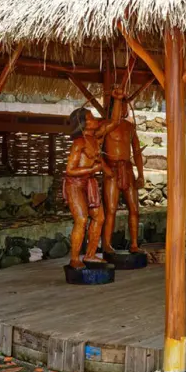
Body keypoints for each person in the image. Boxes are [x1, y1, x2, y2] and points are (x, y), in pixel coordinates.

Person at [63, 88, 124, 269]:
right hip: (75, 185)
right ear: (83, 123)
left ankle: (90, 255)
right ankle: (75, 258)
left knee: (99, 218)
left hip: (88, 183)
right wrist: (93, 168)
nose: (95, 119)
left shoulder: (95, 138)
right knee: (81, 220)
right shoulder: (79, 143)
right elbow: (70, 170)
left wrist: (117, 99)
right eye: (90, 117)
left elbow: (114, 121)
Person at [101, 93, 145, 255]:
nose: (124, 108)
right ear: (113, 106)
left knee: (134, 209)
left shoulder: (130, 127)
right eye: (120, 104)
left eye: (125, 105)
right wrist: (104, 167)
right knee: (111, 209)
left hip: (127, 169)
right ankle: (106, 245)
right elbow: (96, 150)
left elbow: (137, 152)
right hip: (111, 170)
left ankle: (134, 244)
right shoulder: (105, 126)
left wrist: (140, 174)